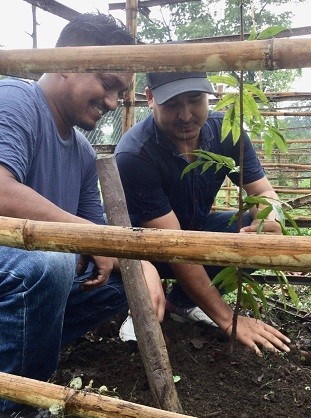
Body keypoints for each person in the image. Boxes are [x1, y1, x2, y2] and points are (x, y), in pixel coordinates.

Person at [0, 13, 165, 417]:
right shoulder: (15, 99)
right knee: (51, 264)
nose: (112, 103)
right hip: (16, 267)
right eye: (108, 85)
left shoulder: (82, 151)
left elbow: (96, 232)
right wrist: (93, 239)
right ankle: (20, 406)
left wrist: (140, 262)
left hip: (25, 279)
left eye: (120, 93)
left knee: (124, 280)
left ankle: (20, 355)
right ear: (68, 62)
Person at [115, 70, 291, 356]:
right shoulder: (136, 155)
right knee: (139, 275)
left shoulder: (227, 131)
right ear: (149, 98)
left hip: (192, 233)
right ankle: (140, 304)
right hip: (145, 250)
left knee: (254, 228)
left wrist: (270, 222)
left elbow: (264, 194)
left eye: (195, 100)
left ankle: (183, 302)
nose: (186, 115)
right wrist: (228, 319)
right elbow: (173, 246)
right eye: (172, 104)